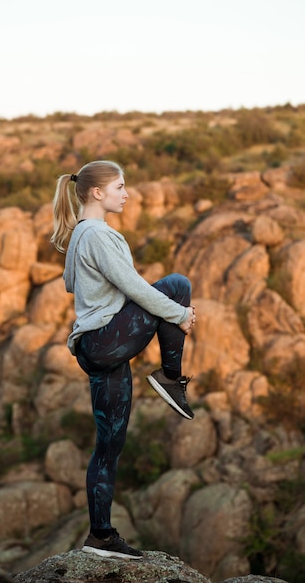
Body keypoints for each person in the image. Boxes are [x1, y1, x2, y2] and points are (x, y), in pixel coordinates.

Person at [51, 160, 196, 560]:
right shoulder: (97, 233)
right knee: (176, 286)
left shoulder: (82, 233)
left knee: (108, 447)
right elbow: (134, 286)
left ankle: (100, 536)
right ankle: (170, 377)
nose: (126, 193)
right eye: (120, 186)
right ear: (97, 193)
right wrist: (179, 314)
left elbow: (76, 284)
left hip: (101, 352)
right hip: (102, 341)